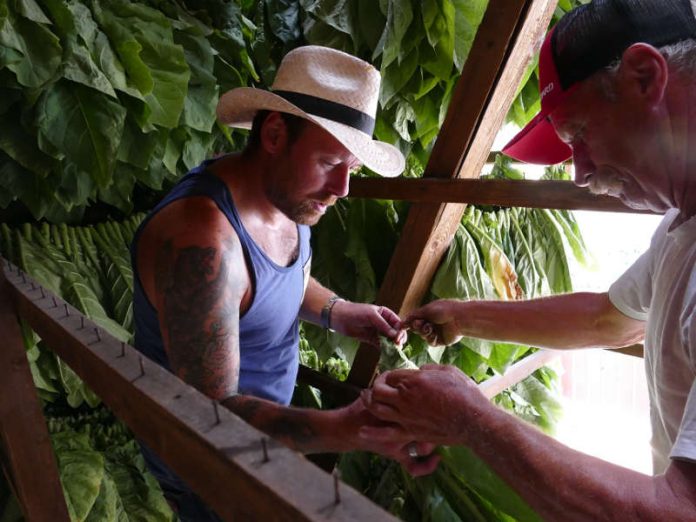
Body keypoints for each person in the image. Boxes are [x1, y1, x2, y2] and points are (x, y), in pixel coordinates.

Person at [361, 0, 696, 519]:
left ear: (646, 76)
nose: (581, 174)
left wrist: (469, 419)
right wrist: (465, 316)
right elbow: (608, 319)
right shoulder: (681, 225)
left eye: (579, 135)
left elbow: (680, 510)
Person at [131, 45, 438, 520]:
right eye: (330, 162)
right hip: (211, 467)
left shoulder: (285, 193)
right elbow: (213, 417)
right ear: (274, 134)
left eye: (351, 169)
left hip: (262, 440)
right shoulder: (203, 243)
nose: (343, 190)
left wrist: (337, 311)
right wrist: (350, 428)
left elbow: (279, 277)